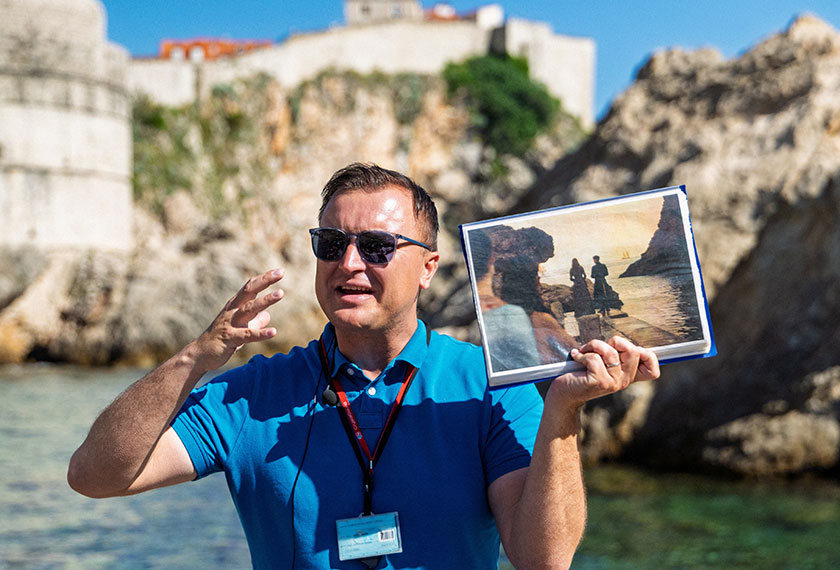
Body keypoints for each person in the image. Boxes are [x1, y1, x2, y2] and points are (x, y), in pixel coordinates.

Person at [68, 163, 659, 569]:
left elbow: (542, 558)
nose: (349, 263)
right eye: (331, 244)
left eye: (377, 247)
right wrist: (196, 358)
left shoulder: (492, 385)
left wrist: (562, 412)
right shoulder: (249, 395)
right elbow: (96, 476)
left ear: (428, 267)